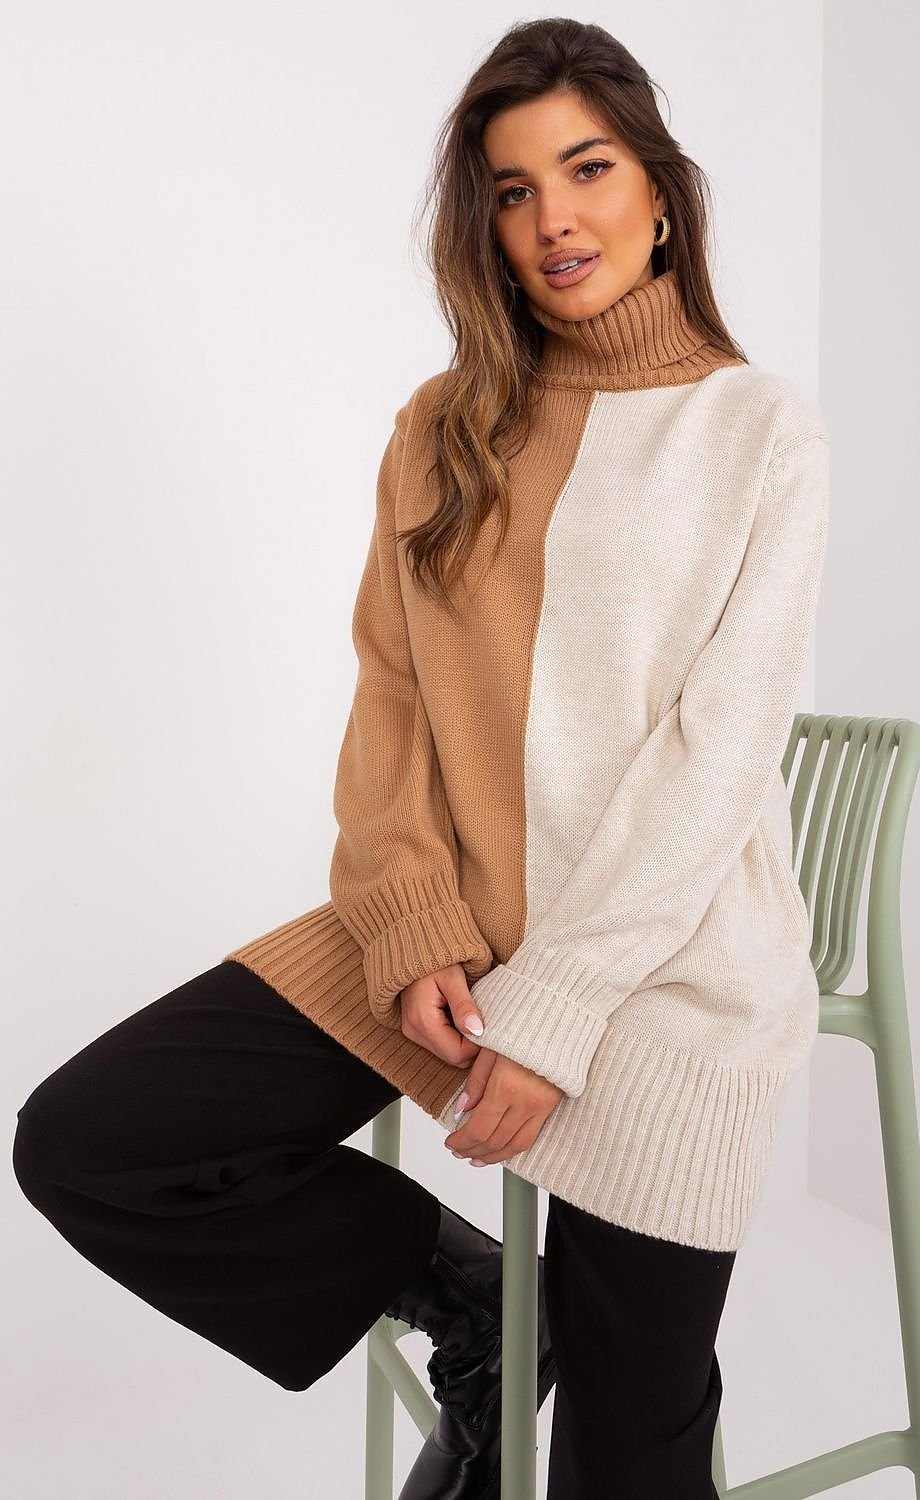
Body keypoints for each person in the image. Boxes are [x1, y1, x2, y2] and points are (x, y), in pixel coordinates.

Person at [12, 16, 829, 1500]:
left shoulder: (760, 432)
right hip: (444, 937)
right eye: (511, 191)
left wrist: (562, 1005)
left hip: (657, 971)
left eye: (583, 169)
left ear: (659, 186)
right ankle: (478, 1314)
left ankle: (560, 1344)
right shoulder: (446, 426)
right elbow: (393, 692)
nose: (552, 219)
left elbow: (719, 752)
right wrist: (407, 920)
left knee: (628, 1465)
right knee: (92, 1141)